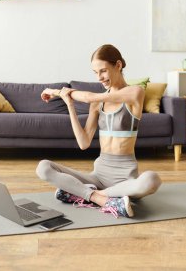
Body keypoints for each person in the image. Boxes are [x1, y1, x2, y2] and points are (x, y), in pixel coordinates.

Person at [36, 44, 162, 218]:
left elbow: (89, 97)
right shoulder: (97, 104)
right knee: (43, 167)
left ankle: (81, 193)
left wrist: (56, 92)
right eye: (95, 73)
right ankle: (103, 199)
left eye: (103, 71)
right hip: (98, 177)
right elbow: (83, 143)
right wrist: (69, 105)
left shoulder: (135, 93)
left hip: (126, 180)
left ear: (118, 65)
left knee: (152, 179)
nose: (99, 78)